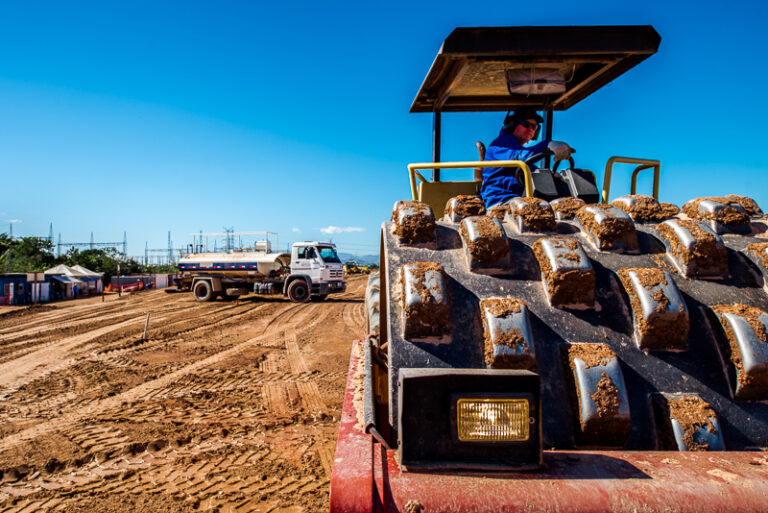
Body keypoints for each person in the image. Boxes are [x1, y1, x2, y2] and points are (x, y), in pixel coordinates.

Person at [480, 107, 575, 208]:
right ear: (512, 125)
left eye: (534, 127)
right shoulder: (501, 144)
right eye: (526, 125)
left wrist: (551, 175)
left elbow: (527, 168)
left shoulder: (522, 158)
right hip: (501, 201)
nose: (530, 129)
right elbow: (518, 157)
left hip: (521, 199)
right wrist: (547, 145)